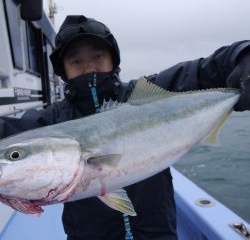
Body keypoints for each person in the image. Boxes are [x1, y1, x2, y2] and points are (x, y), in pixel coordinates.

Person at [0, 15, 250, 240]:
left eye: (97, 57)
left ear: (113, 59)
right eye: (76, 61)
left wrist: (243, 56)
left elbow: (208, 68)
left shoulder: (144, 95)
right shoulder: (55, 120)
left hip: (158, 233)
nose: (88, 68)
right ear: (63, 71)